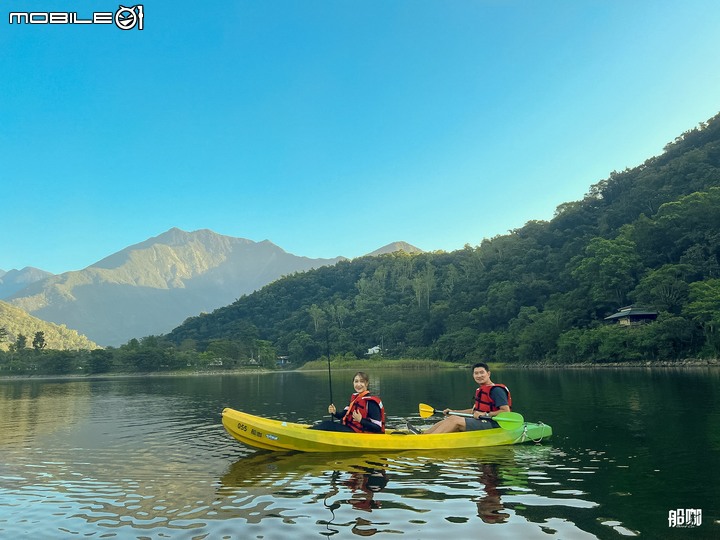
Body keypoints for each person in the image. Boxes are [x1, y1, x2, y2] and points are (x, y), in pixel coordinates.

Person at [422, 362, 511, 434]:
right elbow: (473, 411)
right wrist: (454, 412)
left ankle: (426, 440)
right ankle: (424, 434)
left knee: (455, 420)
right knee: (452, 417)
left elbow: (506, 411)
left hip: (494, 424)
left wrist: (486, 414)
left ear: (488, 373)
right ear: (473, 375)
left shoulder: (496, 390)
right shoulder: (481, 390)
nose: (479, 376)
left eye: (482, 372)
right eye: (476, 373)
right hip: (481, 421)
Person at [309, 371, 385, 433]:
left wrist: (361, 420)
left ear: (367, 383)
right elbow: (342, 415)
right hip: (350, 429)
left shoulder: (371, 402)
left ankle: (308, 433)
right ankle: (309, 431)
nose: (358, 384)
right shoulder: (355, 398)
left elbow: (378, 428)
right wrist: (334, 412)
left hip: (361, 434)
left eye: (362, 382)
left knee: (327, 425)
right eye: (356, 381)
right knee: (327, 423)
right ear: (353, 383)